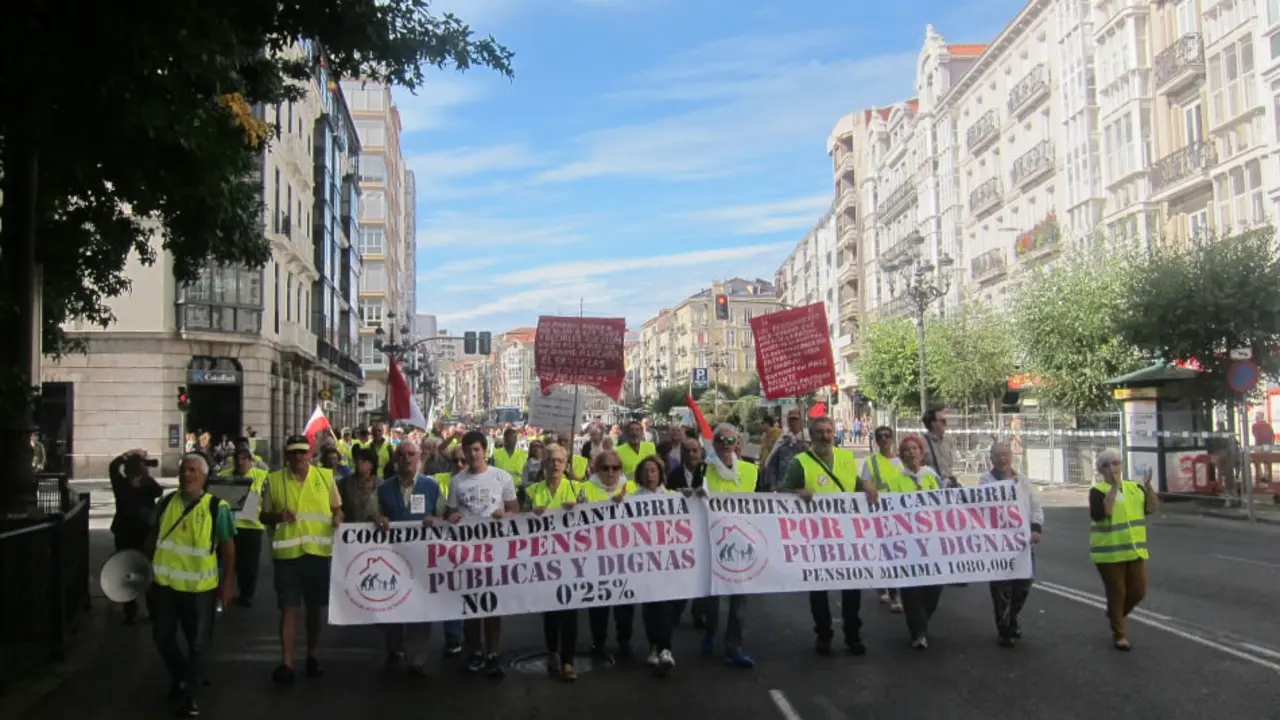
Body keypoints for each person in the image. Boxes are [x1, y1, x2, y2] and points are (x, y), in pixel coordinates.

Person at [147, 453, 236, 717]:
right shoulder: (164, 504)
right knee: (162, 637)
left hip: (200, 589)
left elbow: (229, 548)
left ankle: (190, 694)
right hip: (165, 585)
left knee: (197, 643)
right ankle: (184, 676)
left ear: (204, 476)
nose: (186, 475)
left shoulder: (216, 508)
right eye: (183, 470)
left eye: (193, 470)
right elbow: (151, 538)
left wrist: (227, 584)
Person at [784, 415, 879, 656]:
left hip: (847, 534)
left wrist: (866, 485)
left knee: (852, 585)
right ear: (811, 435)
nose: (825, 436)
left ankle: (853, 634)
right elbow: (781, 492)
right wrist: (796, 491)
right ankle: (824, 633)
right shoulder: (800, 462)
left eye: (829, 431)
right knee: (819, 587)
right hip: (815, 536)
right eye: (820, 432)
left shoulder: (846, 457)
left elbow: (853, 483)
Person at [260, 435, 344, 683]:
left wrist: (338, 517)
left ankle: (312, 655)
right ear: (286, 455)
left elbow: (337, 508)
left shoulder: (324, 477)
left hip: (317, 554)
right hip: (287, 556)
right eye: (293, 453)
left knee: (314, 609)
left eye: (302, 452)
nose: (298, 457)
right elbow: (263, 516)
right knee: (289, 608)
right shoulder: (274, 480)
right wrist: (277, 516)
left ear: (310, 454)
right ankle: (286, 662)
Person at [441, 430, 519, 676]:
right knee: (472, 607)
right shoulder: (458, 481)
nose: (472, 454)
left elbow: (514, 508)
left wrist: (505, 514)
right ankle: (475, 651)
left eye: (476, 449)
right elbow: (450, 511)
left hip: (494, 550)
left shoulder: (501, 477)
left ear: (485, 451)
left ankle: (493, 653)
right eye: (468, 450)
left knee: (492, 606)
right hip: (466, 553)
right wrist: (451, 516)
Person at [375, 441, 442, 676]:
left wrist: (436, 519)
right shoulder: (383, 488)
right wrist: (378, 519)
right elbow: (373, 514)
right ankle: (394, 647)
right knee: (392, 600)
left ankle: (417, 657)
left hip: (422, 556)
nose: (406, 459)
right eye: (402, 455)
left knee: (419, 605)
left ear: (419, 457)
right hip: (393, 556)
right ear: (396, 459)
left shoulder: (431, 486)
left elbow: (445, 515)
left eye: (411, 454)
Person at [697, 424, 759, 668]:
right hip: (711, 541)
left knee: (739, 600)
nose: (725, 444)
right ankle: (710, 632)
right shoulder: (704, 469)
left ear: (738, 444)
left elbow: (766, 501)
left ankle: (734, 646)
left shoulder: (751, 471)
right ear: (714, 444)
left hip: (743, 542)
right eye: (720, 440)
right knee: (711, 597)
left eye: (730, 440)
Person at [526, 443, 588, 681]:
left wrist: (580, 508)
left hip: (572, 560)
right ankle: (553, 651)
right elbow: (519, 520)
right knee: (550, 610)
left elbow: (596, 514)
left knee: (570, 610)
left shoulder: (578, 489)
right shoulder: (533, 491)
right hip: (543, 560)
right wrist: (531, 514)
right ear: (543, 464)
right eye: (550, 460)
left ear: (565, 465)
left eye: (559, 461)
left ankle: (568, 661)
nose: (555, 464)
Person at [1089, 449, 1157, 651]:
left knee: (1138, 592)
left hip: (1135, 550)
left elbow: (1152, 508)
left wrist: (1148, 486)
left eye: (1118, 463)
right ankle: (1120, 633)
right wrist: (1114, 487)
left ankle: (1114, 614)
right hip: (1109, 554)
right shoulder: (1098, 491)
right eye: (1112, 464)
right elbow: (1105, 512)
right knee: (1117, 592)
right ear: (1102, 469)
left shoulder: (1134, 488)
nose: (1116, 468)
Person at [980, 441, 1042, 647]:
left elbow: (1035, 507)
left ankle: (1012, 618)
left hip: (1022, 543)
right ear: (991, 459)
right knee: (1001, 589)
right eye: (997, 455)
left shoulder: (1022, 480)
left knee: (1023, 585)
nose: (1002, 459)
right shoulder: (985, 481)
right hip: (999, 544)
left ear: (1011, 456)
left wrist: (1036, 528)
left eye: (1005, 454)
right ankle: (1004, 629)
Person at [583, 449, 636, 664]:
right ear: (597, 469)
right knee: (599, 603)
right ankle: (599, 641)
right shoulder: (585, 489)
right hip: (596, 557)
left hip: (625, 558)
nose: (611, 472)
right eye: (606, 468)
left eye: (616, 468)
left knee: (625, 603)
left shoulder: (631, 488)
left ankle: (624, 641)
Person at [892, 434, 944, 650]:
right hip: (908, 543)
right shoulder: (897, 479)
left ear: (922, 453)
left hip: (932, 541)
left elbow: (945, 503)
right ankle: (918, 631)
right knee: (912, 589)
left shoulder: (931, 477)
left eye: (915, 449)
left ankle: (922, 620)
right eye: (907, 449)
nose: (911, 452)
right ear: (902, 455)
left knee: (934, 587)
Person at [632, 455, 679, 675]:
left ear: (660, 474)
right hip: (643, 561)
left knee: (665, 606)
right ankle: (654, 647)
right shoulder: (631, 499)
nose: (650, 475)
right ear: (640, 475)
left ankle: (665, 649)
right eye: (646, 471)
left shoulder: (673, 498)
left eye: (654, 470)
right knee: (650, 607)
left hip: (667, 561)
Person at [109, 449, 164, 624]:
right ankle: (131, 611)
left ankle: (150, 609)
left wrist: (146, 476)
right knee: (128, 571)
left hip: (143, 533)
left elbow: (159, 492)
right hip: (127, 533)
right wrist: (127, 455)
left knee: (146, 570)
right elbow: (113, 467)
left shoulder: (146, 485)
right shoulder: (121, 484)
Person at [217, 447, 269, 608]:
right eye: (237, 460)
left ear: (250, 461)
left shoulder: (261, 476)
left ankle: (246, 595)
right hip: (229, 526)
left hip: (252, 527)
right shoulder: (224, 476)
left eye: (244, 459)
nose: (240, 463)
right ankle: (225, 592)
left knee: (249, 565)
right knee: (226, 562)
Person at [862, 426, 904, 613]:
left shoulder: (902, 461)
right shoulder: (871, 462)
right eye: (881, 437)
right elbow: (866, 482)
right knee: (886, 554)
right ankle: (889, 591)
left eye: (888, 436)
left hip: (902, 514)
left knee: (897, 554)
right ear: (876, 441)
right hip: (881, 514)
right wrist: (869, 487)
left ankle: (894, 592)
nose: (885, 439)